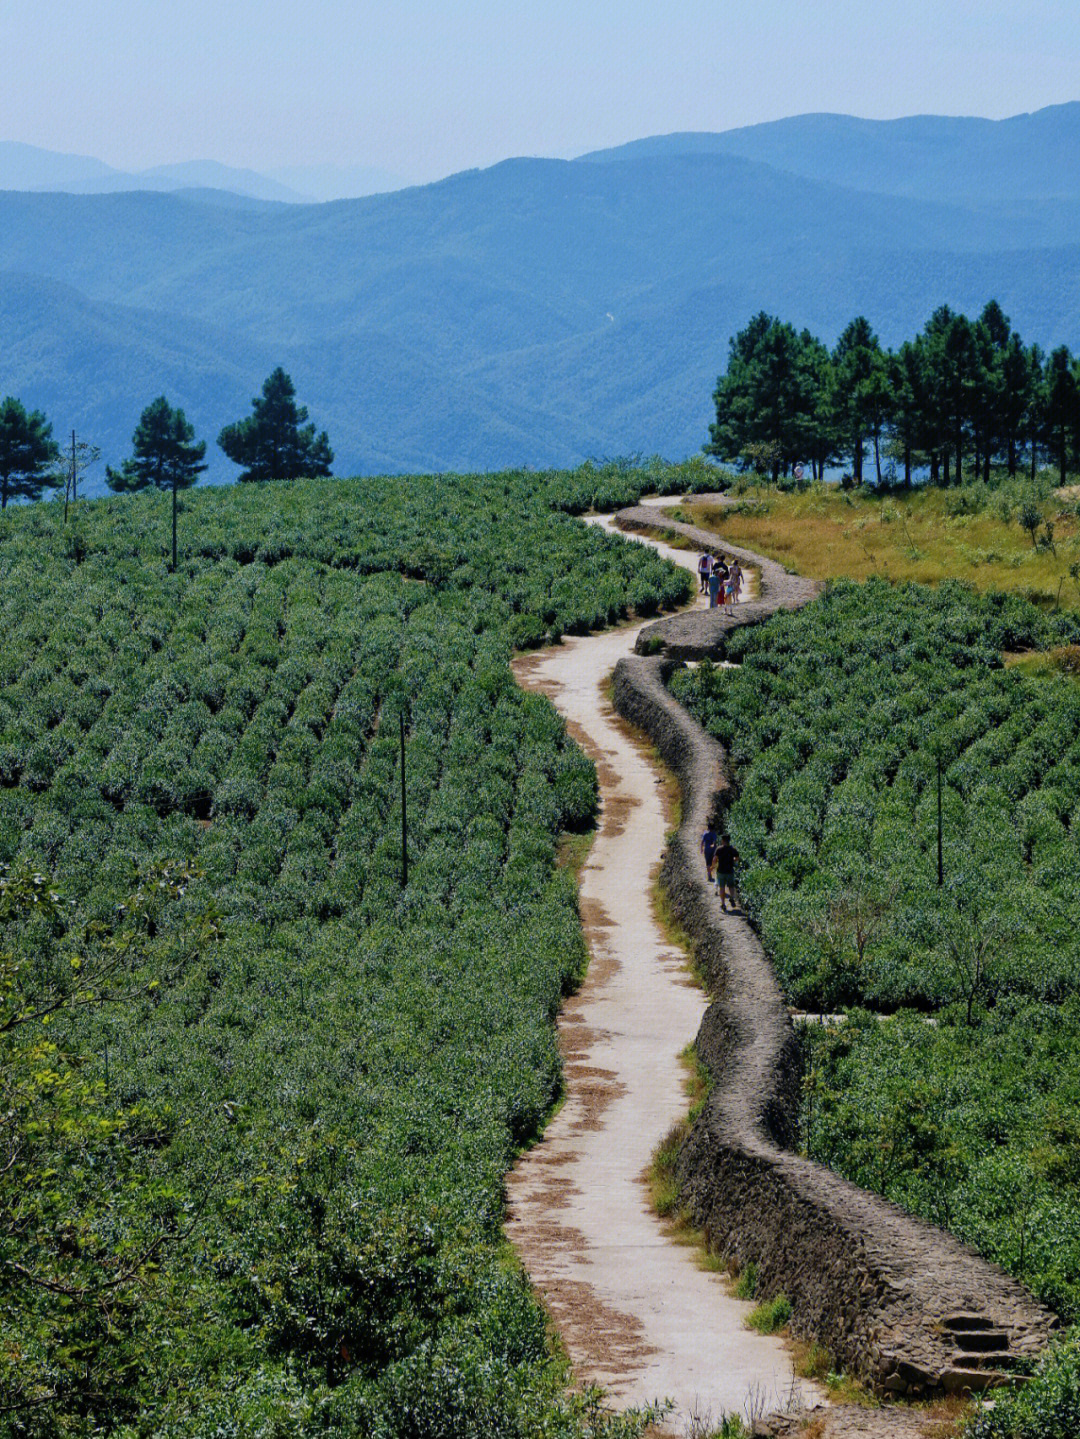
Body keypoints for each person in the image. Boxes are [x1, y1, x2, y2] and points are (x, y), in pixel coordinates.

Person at [714, 834, 740, 911]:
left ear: (722, 840)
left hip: (721, 871)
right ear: (729, 840)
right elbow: (737, 858)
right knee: (731, 886)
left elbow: (715, 859)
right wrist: (733, 860)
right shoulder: (733, 849)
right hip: (730, 871)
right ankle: (732, 898)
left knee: (722, 888)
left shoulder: (719, 849)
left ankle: (723, 904)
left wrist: (713, 866)